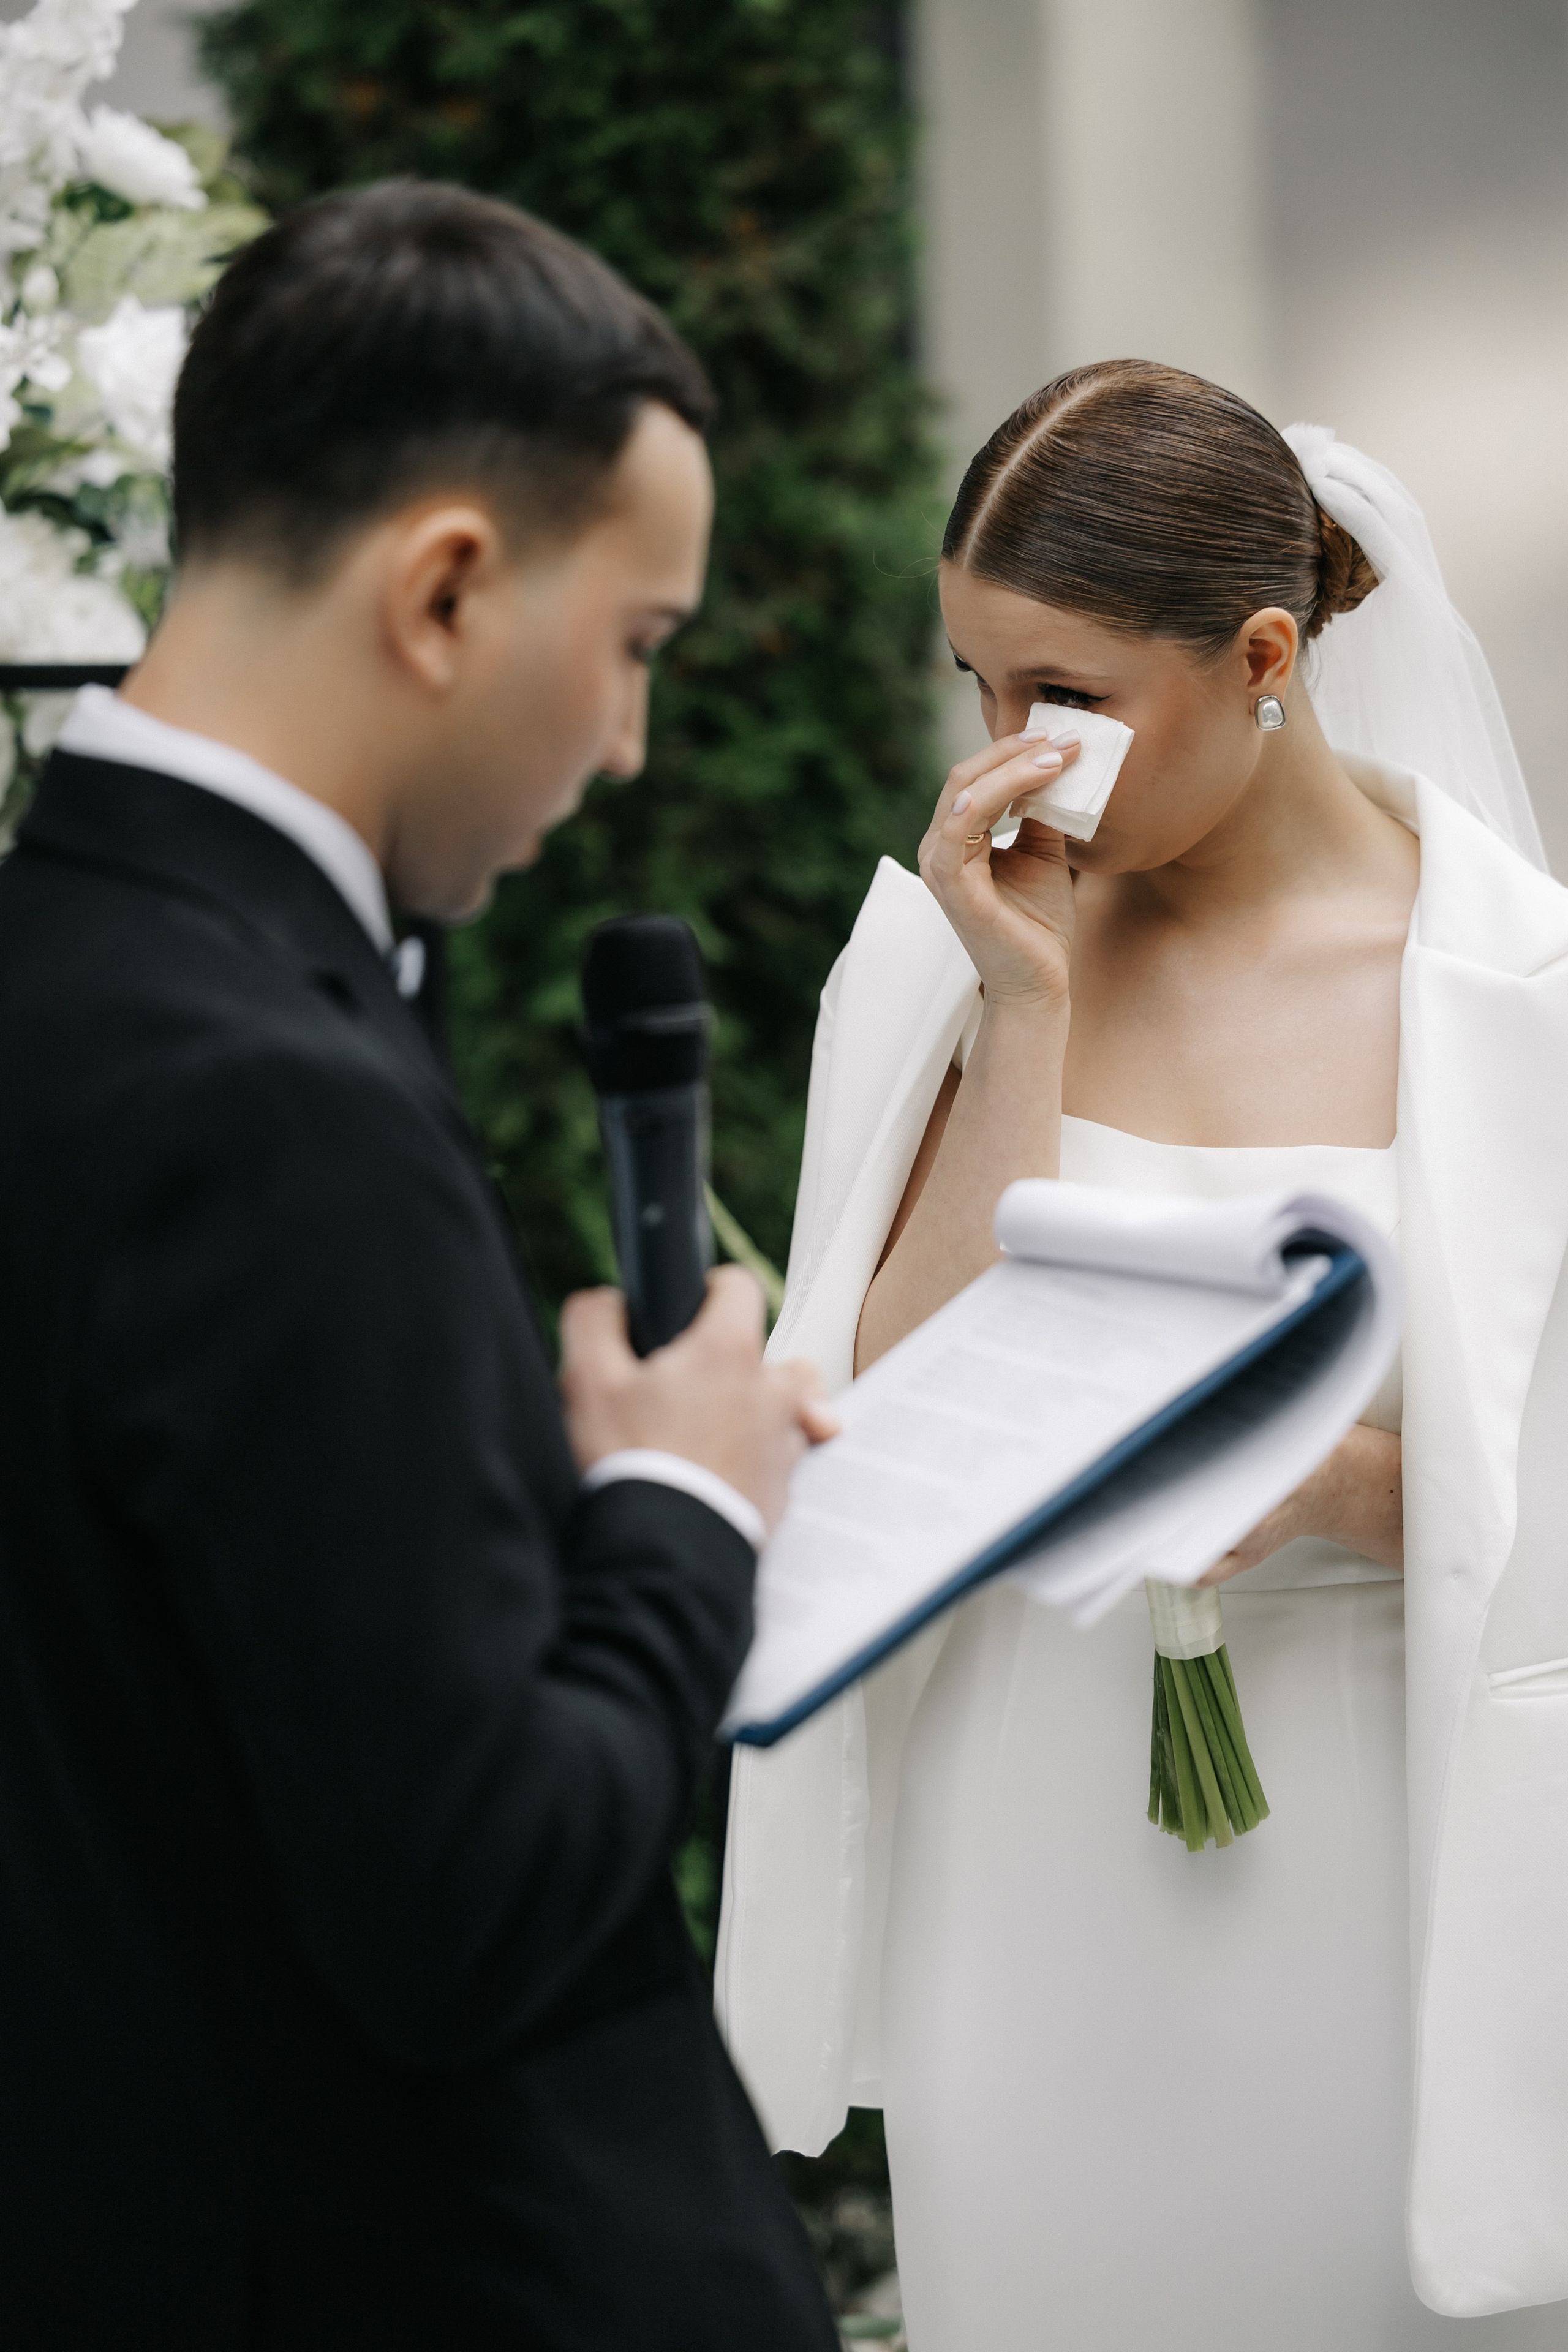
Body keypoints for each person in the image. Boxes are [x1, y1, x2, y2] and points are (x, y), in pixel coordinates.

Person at [0, 181, 843, 2351]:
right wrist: (683, 1504)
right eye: (639, 643)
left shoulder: (73, 962)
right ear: (451, 588)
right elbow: (465, 1899)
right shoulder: (263, 1094)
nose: (634, 743)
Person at [717, 361, 1568, 2348]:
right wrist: (1021, 1007)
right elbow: (879, 1430)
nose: (1014, 756)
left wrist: (1332, 1482)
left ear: (1266, 654)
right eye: (981, 689)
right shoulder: (948, 957)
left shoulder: (1522, 995)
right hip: (1018, 1842)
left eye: (1071, 698)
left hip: (1391, 1859)